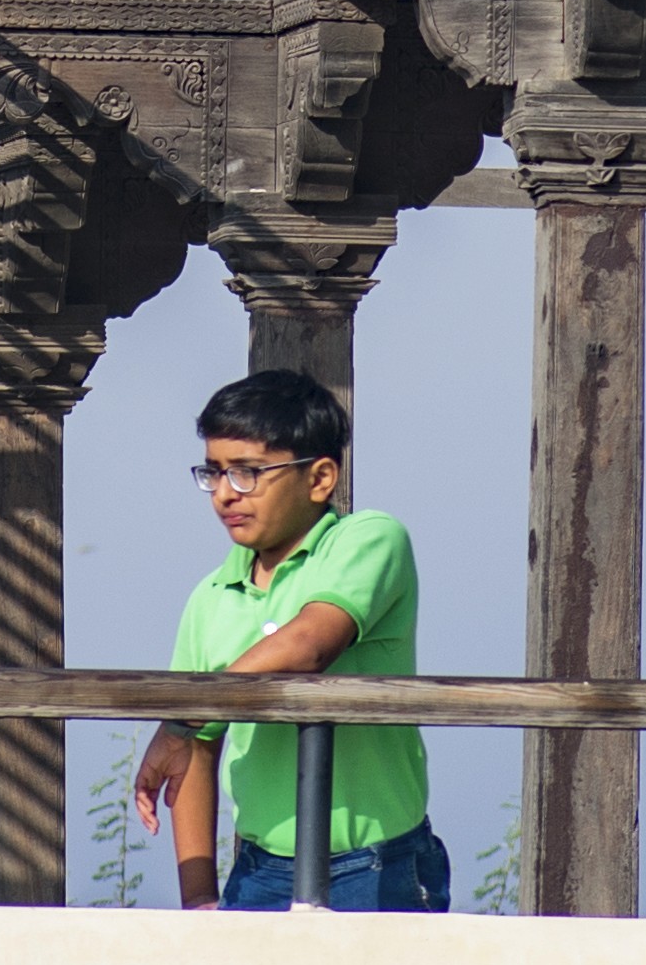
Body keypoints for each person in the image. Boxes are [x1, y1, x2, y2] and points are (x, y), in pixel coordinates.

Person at [129, 370, 445, 912]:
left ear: (319, 478)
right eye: (213, 472)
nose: (225, 494)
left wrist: (182, 715)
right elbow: (198, 748)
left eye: (247, 472)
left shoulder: (370, 539)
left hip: (376, 864)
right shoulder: (211, 597)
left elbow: (309, 644)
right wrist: (199, 900)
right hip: (258, 869)